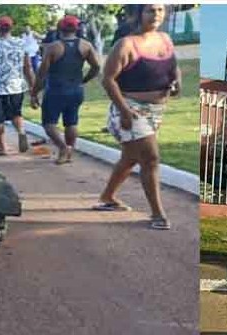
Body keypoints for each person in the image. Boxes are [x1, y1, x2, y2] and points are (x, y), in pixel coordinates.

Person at [94, 4, 180, 230]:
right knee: (150, 158)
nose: (156, 15)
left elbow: (173, 65)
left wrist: (176, 80)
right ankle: (158, 214)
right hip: (130, 109)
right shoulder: (126, 44)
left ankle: (107, 197)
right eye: (150, 10)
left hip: (156, 111)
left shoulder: (165, 39)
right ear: (139, 14)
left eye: (160, 10)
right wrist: (123, 110)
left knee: (131, 158)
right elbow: (108, 79)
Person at [30, 15, 102, 165]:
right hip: (76, 89)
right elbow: (96, 67)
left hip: (56, 90)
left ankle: (62, 148)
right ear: (77, 29)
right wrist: (85, 79)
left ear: (59, 29)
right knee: (71, 122)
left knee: (49, 123)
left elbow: (42, 74)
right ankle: (69, 150)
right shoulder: (86, 46)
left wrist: (34, 93)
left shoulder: (53, 47)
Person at [0, 16, 35, 156]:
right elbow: (28, 67)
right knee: (16, 113)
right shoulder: (21, 44)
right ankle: (21, 132)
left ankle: (3, 148)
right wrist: (33, 87)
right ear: (11, 28)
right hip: (17, 87)